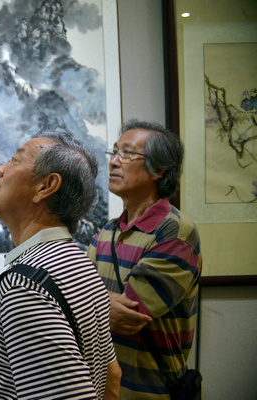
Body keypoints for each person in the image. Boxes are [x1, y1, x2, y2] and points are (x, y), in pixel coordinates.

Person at [0, 130, 121, 400]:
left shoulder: (26, 284)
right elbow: (112, 376)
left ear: (45, 186)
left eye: (14, 160)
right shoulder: (81, 265)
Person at [87, 119, 202, 399]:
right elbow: (83, 298)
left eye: (127, 153)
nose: (114, 162)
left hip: (148, 391)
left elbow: (129, 315)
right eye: (114, 152)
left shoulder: (175, 230)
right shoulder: (106, 232)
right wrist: (91, 300)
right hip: (100, 388)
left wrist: (82, 299)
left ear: (159, 169)